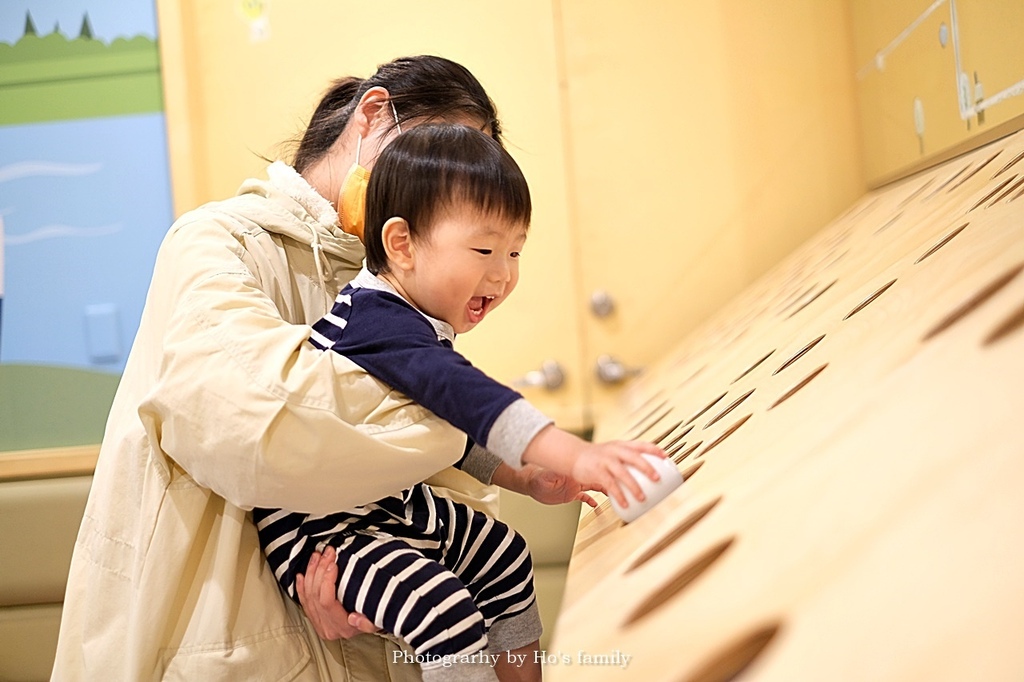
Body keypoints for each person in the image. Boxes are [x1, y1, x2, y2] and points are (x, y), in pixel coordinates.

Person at [52, 55, 529, 682]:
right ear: (374, 114)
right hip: (223, 645)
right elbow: (257, 426)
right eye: (435, 156)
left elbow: (417, 475)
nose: (440, 189)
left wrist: (369, 580)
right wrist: (463, 420)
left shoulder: (398, 280)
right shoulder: (217, 242)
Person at [255, 123, 666, 682]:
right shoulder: (376, 320)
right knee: (438, 606)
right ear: (401, 245)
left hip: (384, 508)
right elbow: (465, 397)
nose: (502, 274)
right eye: (484, 249)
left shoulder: (413, 322)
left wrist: (522, 477)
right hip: (321, 531)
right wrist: (576, 455)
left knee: (505, 555)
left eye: (515, 251)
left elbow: (440, 426)